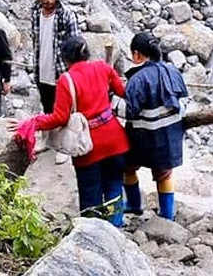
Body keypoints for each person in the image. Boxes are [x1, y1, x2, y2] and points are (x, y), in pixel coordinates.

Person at [10, 36, 129, 227]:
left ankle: (92, 233)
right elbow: (123, 91)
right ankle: (115, 228)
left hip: (88, 146)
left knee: (91, 196)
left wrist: (34, 122)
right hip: (116, 140)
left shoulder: (67, 80)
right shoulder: (103, 67)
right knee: (114, 187)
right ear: (86, 53)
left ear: (65, 58)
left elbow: (60, 118)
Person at [123, 32, 188, 221]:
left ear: (137, 54)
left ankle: (134, 204)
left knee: (128, 167)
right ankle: (167, 214)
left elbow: (128, 110)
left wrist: (110, 101)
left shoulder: (137, 79)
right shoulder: (172, 71)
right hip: (169, 134)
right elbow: (183, 100)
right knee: (164, 174)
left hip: (141, 135)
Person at [31, 0, 80, 114]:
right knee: (48, 113)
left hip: (62, 74)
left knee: (65, 115)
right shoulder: (35, 12)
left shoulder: (67, 15)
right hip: (42, 74)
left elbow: (76, 49)